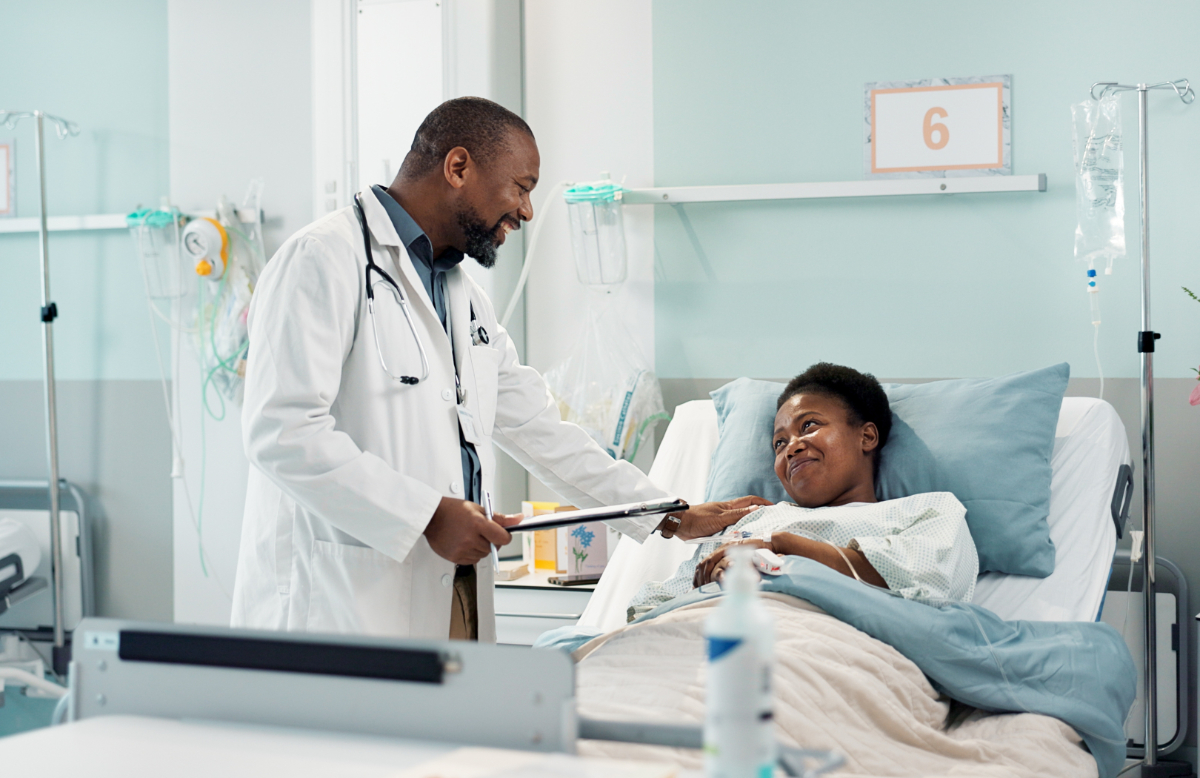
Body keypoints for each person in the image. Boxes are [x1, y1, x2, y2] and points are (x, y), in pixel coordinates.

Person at [231, 97, 757, 642]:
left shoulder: (463, 295)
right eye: (521, 187)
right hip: (336, 602)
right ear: (458, 168)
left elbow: (539, 430)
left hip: (447, 591)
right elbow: (283, 433)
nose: (527, 211)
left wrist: (668, 515)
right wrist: (428, 515)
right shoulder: (323, 258)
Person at [628, 363, 978, 616]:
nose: (791, 447)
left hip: (820, 644)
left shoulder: (928, 511)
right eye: (779, 443)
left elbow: (928, 588)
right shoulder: (751, 523)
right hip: (703, 637)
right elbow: (651, 608)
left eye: (809, 425)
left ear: (866, 436)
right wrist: (703, 584)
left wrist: (780, 547)